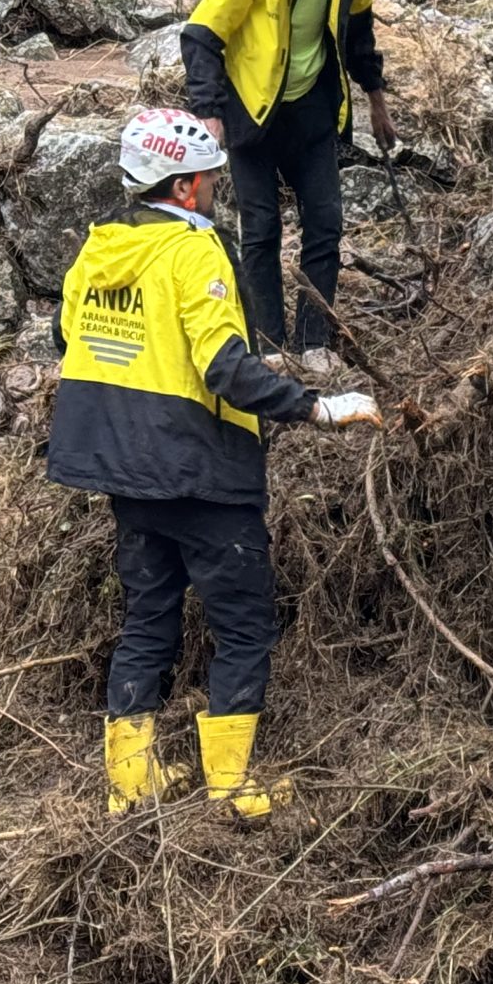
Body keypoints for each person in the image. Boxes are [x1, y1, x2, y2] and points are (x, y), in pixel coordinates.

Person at [49, 108, 382, 817]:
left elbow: (68, 338)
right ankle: (230, 789)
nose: (215, 190)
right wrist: (318, 406)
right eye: (209, 180)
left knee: (148, 619)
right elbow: (226, 369)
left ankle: (129, 787)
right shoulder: (195, 253)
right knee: (244, 625)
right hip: (201, 474)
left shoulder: (97, 251)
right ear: (189, 185)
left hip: (125, 474)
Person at [181, 0, 398, 375]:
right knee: (262, 231)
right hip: (251, 109)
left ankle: (314, 340)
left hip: (312, 105)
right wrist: (208, 114)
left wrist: (375, 97)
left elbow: (358, 20)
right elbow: (203, 33)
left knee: (325, 224)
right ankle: (271, 347)